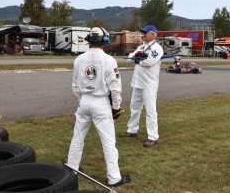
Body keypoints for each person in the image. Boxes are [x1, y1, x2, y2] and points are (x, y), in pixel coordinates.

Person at [66, 27, 131, 187]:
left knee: (78, 137)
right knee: (108, 141)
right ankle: (114, 177)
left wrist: (82, 98)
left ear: (89, 40)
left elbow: (75, 85)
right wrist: (116, 107)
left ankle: (72, 168)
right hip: (101, 103)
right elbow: (115, 87)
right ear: (105, 41)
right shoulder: (109, 60)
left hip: (84, 101)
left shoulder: (79, 59)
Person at [120, 25, 164, 147]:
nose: (143, 34)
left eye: (145, 33)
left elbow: (149, 62)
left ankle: (153, 137)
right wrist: (138, 58)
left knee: (150, 110)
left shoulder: (157, 48)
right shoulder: (141, 47)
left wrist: (137, 59)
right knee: (134, 107)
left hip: (149, 84)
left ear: (153, 34)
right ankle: (132, 130)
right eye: (143, 32)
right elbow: (130, 57)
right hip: (137, 82)